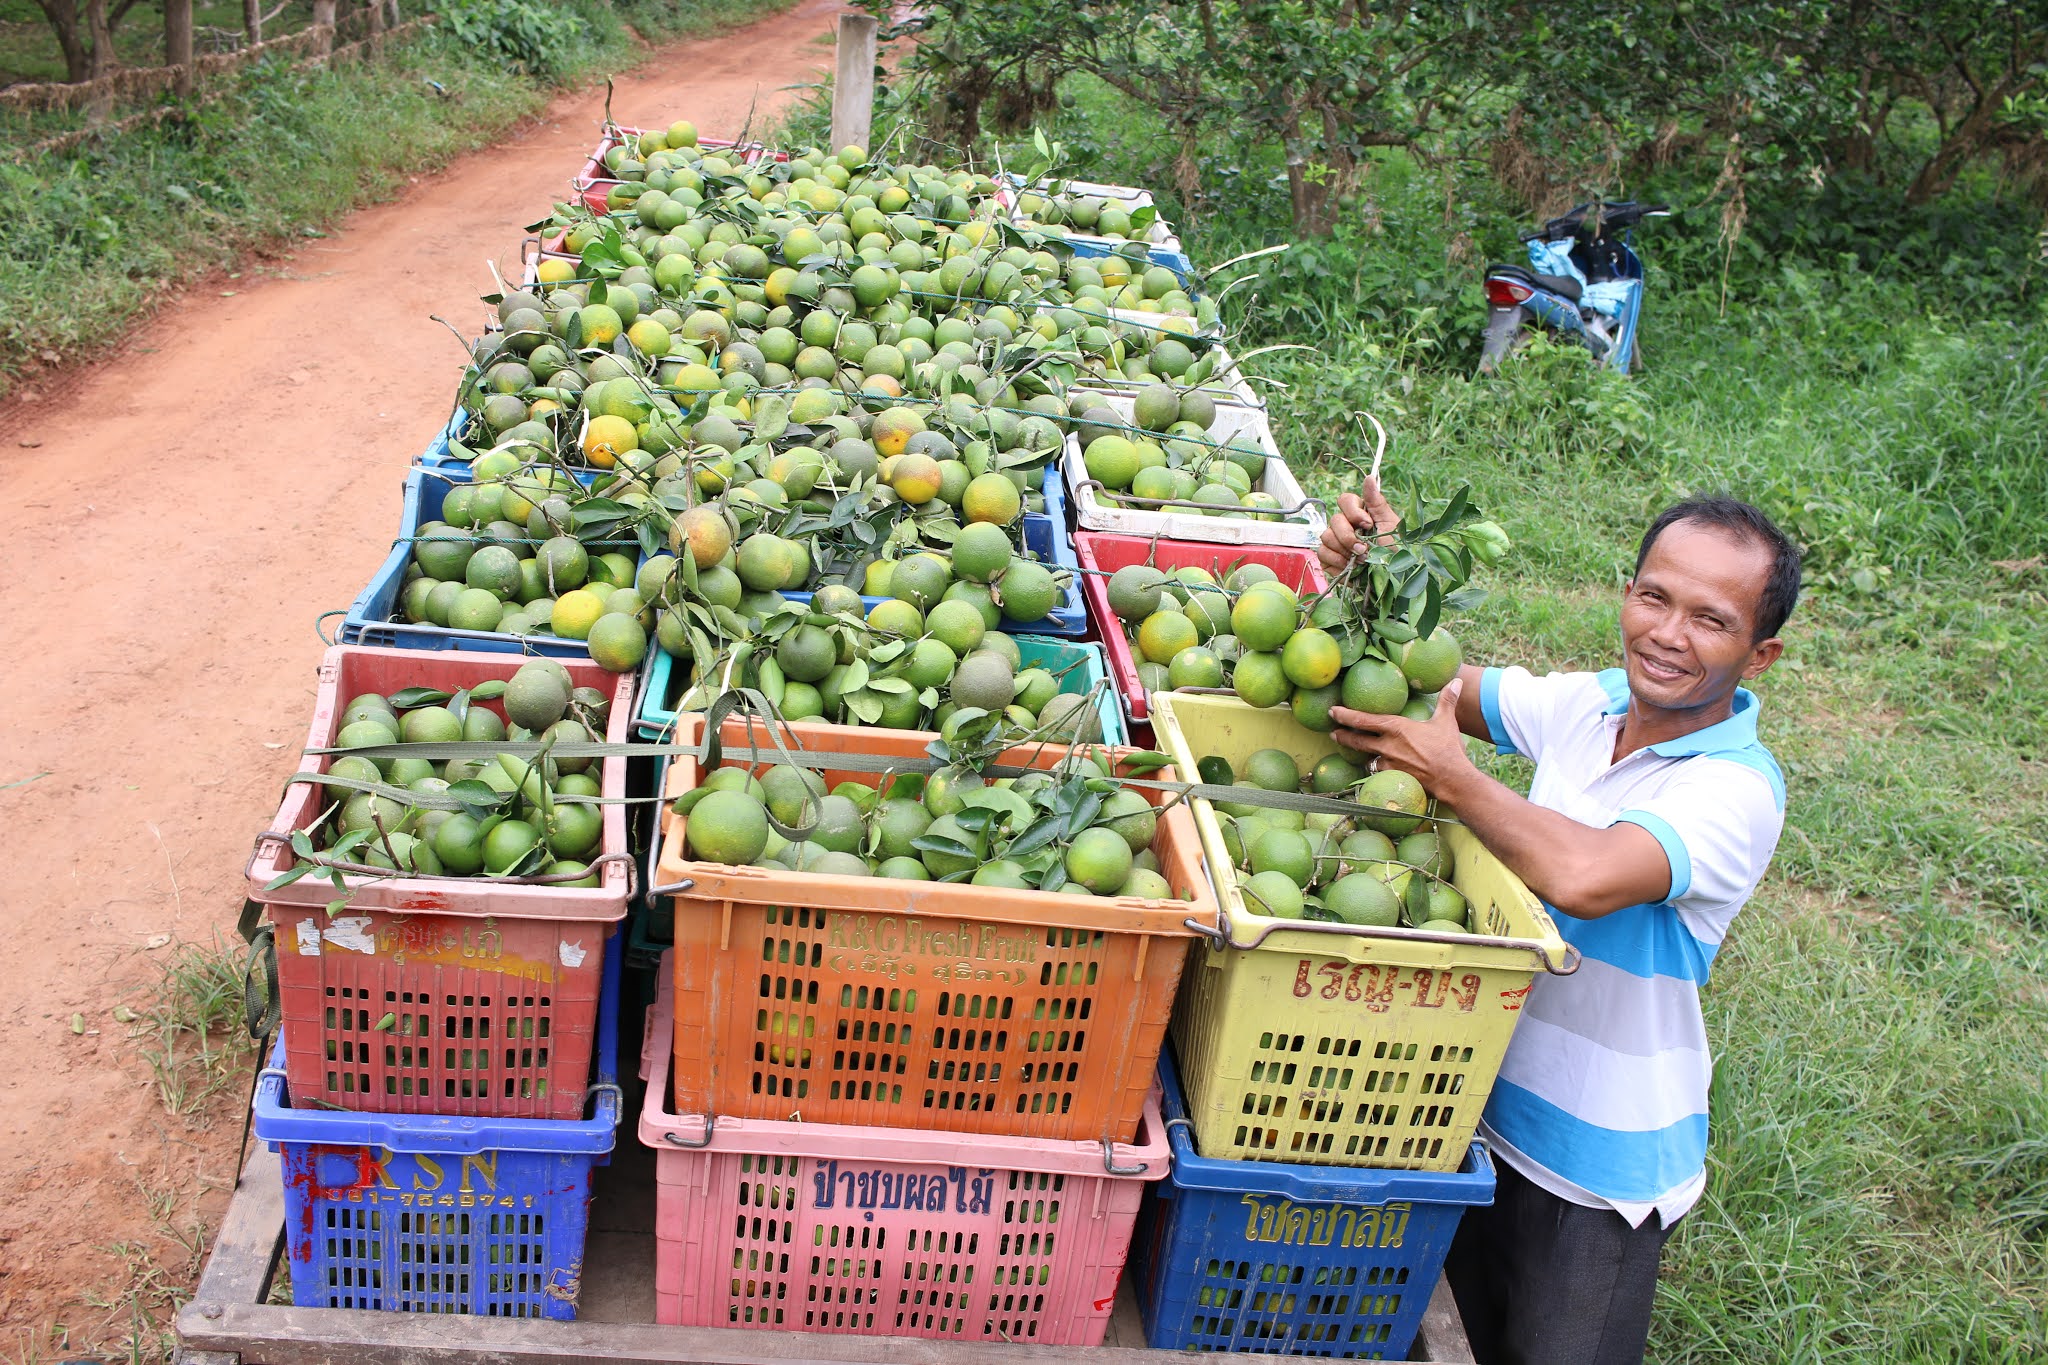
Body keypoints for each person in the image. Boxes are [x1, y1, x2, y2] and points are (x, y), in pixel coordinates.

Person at [1319, 482, 1801, 1365]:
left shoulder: (1736, 790)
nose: (1667, 633)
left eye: (1710, 619)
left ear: (1759, 654)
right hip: (1474, 1110)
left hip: (1594, 1168)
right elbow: (1434, 687)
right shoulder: (1594, 704)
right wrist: (1373, 578)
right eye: (1653, 596)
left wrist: (1457, 778)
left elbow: (1584, 875)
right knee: (1442, 1338)